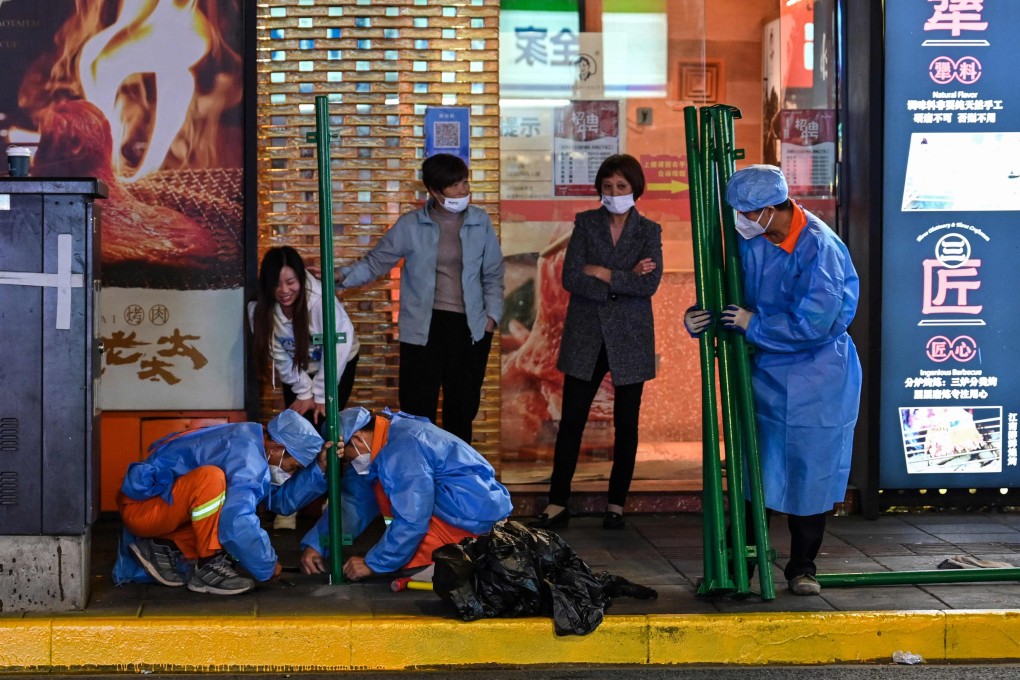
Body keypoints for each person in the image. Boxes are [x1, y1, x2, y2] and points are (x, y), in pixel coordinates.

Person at [683, 164, 862, 596]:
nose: (740, 222)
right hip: (764, 375)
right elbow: (728, 293)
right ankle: (739, 564)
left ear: (767, 209)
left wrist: (753, 324)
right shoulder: (755, 240)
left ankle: (803, 567)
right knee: (752, 473)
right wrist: (701, 317)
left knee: (810, 474)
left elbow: (815, 324)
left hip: (818, 377)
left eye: (745, 213)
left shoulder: (821, 247)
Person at [332, 153, 504, 444]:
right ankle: (418, 478)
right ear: (435, 191)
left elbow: (494, 274)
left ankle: (456, 481)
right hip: (422, 330)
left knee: (460, 413)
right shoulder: (411, 225)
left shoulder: (480, 221)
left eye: (465, 182)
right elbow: (376, 263)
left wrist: (490, 319)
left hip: (470, 328)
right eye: (455, 185)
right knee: (417, 411)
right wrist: (340, 277)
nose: (464, 190)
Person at [530, 154, 662, 532]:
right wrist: (624, 277)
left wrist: (603, 272)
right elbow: (572, 277)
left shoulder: (649, 231)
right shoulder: (586, 223)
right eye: (607, 187)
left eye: (621, 187)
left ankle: (616, 504)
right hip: (586, 334)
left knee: (627, 425)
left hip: (630, 338)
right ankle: (557, 502)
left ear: (635, 189)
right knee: (571, 421)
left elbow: (649, 285)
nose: (614, 193)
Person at [113, 410, 334, 595]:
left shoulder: (251, 442)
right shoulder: (248, 456)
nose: (289, 473)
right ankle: (208, 566)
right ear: (277, 449)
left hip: (153, 507)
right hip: (143, 510)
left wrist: (319, 469)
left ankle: (163, 546)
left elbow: (279, 502)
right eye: (292, 467)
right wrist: (266, 565)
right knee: (212, 481)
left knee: (222, 507)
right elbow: (236, 521)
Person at [299, 408, 513, 581]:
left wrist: (373, 563)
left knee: (399, 498)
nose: (351, 463)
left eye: (347, 458)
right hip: (470, 516)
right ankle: (428, 558)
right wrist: (317, 543)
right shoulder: (390, 438)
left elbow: (413, 517)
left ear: (355, 438)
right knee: (381, 488)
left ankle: (435, 561)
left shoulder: (401, 448)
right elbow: (356, 501)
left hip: (473, 527)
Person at [249, 246, 359, 529]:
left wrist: (322, 395)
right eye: (276, 284)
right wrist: (304, 393)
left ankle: (330, 505)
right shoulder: (259, 309)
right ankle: (289, 506)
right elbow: (280, 356)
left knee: (329, 430)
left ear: (301, 278)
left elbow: (340, 345)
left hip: (336, 363)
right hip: (300, 370)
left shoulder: (320, 300)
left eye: (290, 282)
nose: (284, 290)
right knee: (294, 431)